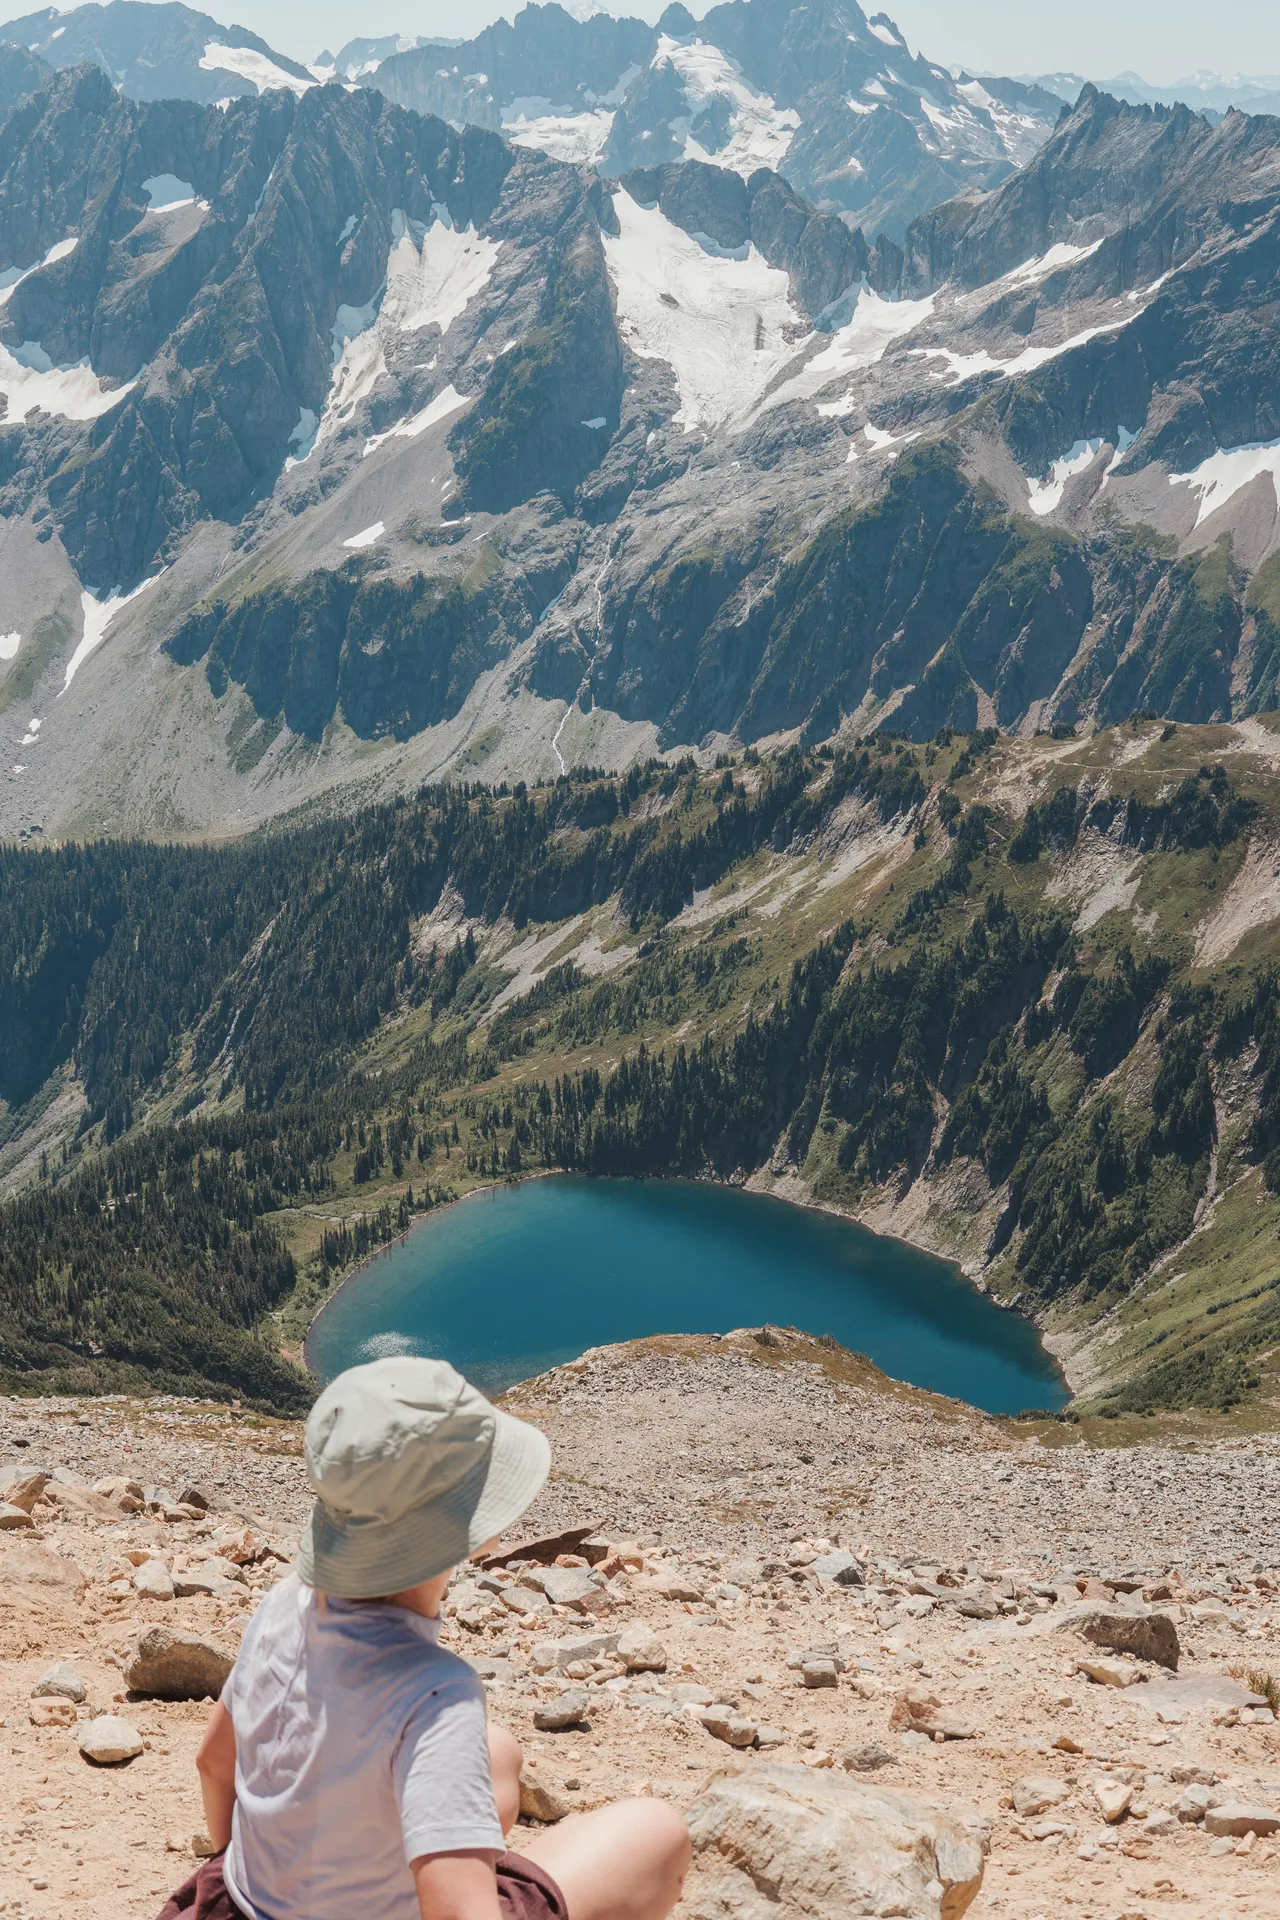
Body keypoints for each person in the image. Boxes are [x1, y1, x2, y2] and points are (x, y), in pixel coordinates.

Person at [155, 1356, 691, 1920]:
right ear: (471, 1526)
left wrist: (244, 1884)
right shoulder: (435, 1695)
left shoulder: (283, 1602)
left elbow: (213, 1763)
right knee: (655, 1832)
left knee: (497, 1752)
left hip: (243, 1900)